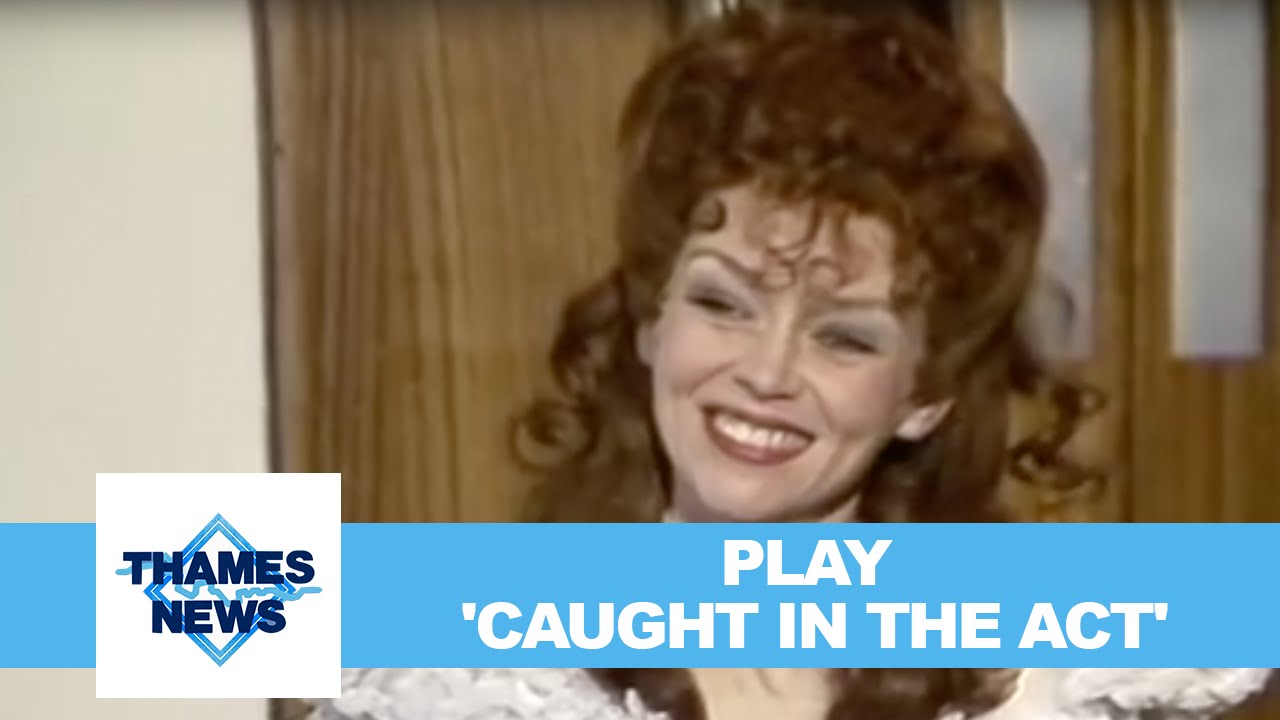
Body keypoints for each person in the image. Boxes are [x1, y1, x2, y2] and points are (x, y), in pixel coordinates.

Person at [309, 5, 1270, 720]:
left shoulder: (1052, 649)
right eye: (722, 303)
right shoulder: (451, 650)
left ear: (926, 395)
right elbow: (214, 589)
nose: (766, 374)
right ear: (650, 321)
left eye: (844, 337)